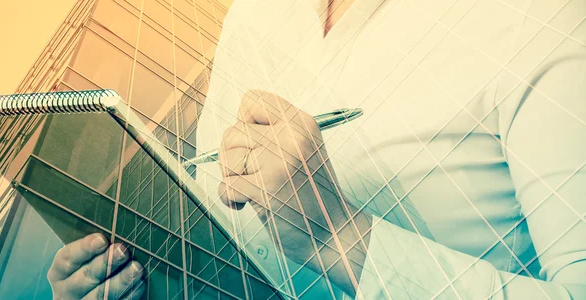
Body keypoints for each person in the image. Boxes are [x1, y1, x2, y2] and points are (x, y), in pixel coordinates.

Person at [49, 0, 586, 298]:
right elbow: (225, 238)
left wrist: (338, 238)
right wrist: (132, 285)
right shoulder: (254, 16)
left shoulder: (544, 20)